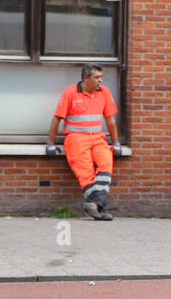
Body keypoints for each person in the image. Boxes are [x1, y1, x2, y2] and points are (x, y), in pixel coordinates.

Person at [48, 64, 120, 221]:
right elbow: (57, 118)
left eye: (101, 77)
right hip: (76, 138)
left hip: (97, 137)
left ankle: (94, 204)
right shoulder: (70, 93)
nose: (100, 80)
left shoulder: (104, 92)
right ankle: (102, 206)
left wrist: (116, 143)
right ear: (85, 78)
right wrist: (50, 143)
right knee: (85, 172)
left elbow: (110, 120)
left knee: (106, 163)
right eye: (97, 77)